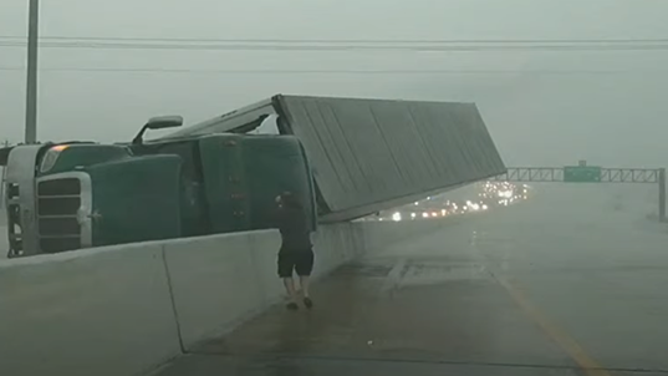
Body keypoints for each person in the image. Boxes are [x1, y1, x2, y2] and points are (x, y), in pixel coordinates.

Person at [275, 192, 314, 310]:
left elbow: (272, 218)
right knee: (304, 273)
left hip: (289, 248)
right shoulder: (303, 213)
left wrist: (278, 204)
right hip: (306, 248)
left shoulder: (282, 213)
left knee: (286, 274)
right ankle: (306, 295)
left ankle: (293, 300)